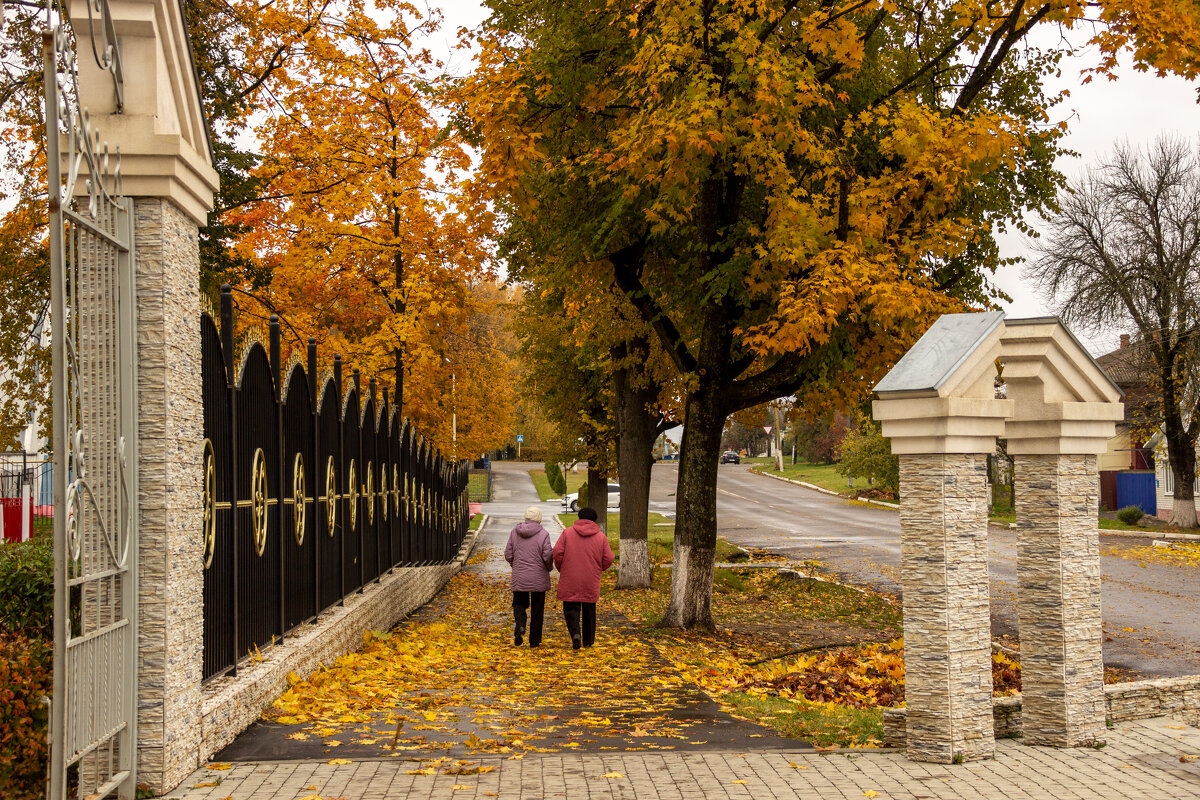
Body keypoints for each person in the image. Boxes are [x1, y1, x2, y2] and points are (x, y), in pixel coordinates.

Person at [552, 506, 615, 650]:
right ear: (594, 520)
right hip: (590, 578)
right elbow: (609, 558)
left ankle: (575, 633)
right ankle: (588, 640)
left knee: (570, 607)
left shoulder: (567, 533)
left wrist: (562, 567)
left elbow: (557, 552)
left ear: (579, 518)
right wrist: (599, 568)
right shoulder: (600, 537)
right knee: (589, 609)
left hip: (570, 576)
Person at [505, 506, 554, 647]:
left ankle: (520, 625)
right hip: (538, 577)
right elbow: (547, 556)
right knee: (537, 610)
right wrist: (548, 568)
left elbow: (508, 554)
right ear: (539, 517)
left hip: (520, 576)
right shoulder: (543, 534)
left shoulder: (515, 532)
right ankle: (534, 641)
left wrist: (516, 566)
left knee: (519, 603)